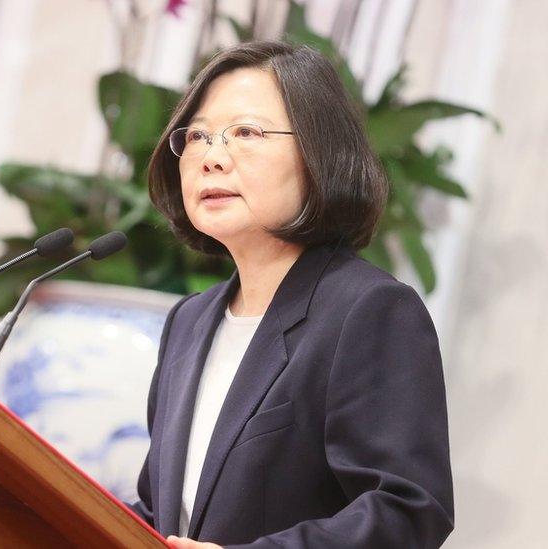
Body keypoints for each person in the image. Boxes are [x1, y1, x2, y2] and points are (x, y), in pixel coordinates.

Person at [127, 41, 454, 548]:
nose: (212, 158)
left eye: (245, 133)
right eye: (198, 136)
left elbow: (407, 511)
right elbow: (161, 513)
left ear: (318, 156)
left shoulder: (366, 310)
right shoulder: (189, 321)